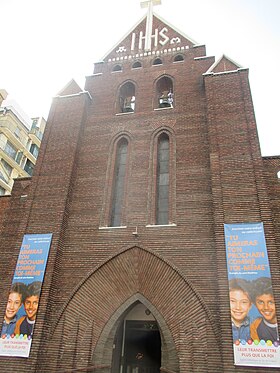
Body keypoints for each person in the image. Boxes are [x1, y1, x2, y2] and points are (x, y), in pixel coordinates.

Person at [250, 277, 279, 342]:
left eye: (271, 302)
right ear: (255, 303)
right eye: (260, 302)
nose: (266, 307)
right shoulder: (255, 326)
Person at [229, 278, 252, 342]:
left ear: (250, 305)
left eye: (244, 302)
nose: (238, 307)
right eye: (233, 301)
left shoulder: (256, 326)